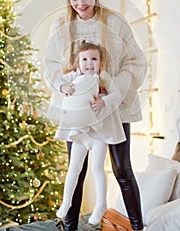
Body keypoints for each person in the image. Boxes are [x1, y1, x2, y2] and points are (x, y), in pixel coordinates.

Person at [43, 0, 147, 231]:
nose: (80, 4)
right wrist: (62, 84)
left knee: (122, 169)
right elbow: (51, 66)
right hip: (78, 110)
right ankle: (69, 227)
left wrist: (111, 96)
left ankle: (138, 227)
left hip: (114, 108)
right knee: (76, 170)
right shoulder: (61, 25)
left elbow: (134, 62)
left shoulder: (115, 23)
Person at [54, 42, 126, 225]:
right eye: (84, 59)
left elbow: (117, 95)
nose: (89, 63)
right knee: (74, 168)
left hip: (99, 133)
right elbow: (57, 81)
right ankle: (66, 202)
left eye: (94, 59)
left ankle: (101, 204)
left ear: (100, 62)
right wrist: (64, 88)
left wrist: (103, 102)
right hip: (80, 133)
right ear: (78, 63)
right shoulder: (74, 76)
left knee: (97, 168)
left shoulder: (103, 77)